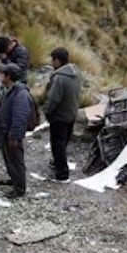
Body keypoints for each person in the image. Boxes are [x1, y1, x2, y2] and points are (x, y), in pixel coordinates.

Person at [43, 46, 82, 182]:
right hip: (71, 113)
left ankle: (62, 174)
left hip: (59, 117)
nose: (51, 63)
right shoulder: (76, 73)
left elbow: (54, 99)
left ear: (58, 61)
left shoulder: (59, 78)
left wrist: (47, 111)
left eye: (53, 60)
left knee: (57, 145)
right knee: (63, 142)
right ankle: (57, 163)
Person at [0, 63, 32, 198]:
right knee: (9, 159)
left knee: (16, 160)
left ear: (8, 76)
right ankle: (14, 179)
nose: (0, 77)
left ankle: (19, 188)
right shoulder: (10, 90)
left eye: (2, 74)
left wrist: (15, 137)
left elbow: (20, 117)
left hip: (12, 134)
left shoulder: (20, 94)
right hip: (6, 132)